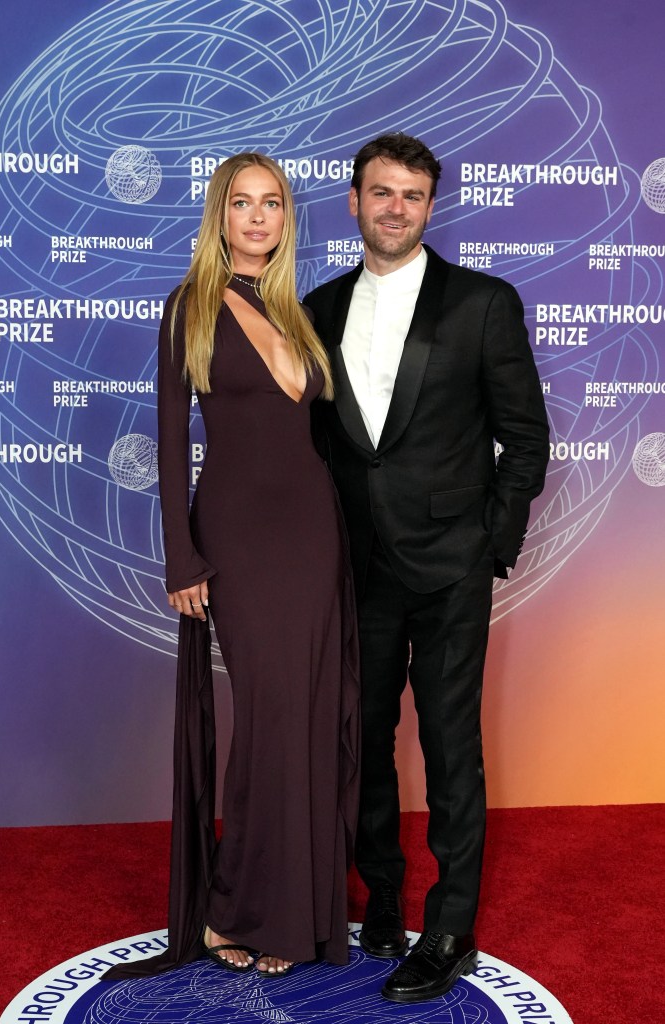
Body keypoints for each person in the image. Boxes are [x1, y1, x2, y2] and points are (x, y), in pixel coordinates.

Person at [304, 133, 549, 1003]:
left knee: (449, 750)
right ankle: (378, 899)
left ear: (430, 205)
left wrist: (490, 542)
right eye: (380, 193)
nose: (394, 208)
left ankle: (448, 926)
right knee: (363, 743)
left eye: (411, 195)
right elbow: (315, 448)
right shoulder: (318, 307)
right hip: (354, 569)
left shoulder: (482, 302)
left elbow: (525, 440)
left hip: (449, 567)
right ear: (353, 201)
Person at [104, 153, 359, 982]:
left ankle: (303, 910)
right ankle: (235, 912)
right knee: (272, 714)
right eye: (241, 203)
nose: (257, 218)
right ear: (220, 215)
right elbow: (174, 440)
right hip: (240, 538)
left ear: (287, 217)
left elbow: (318, 437)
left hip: (314, 534)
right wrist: (183, 553)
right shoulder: (191, 306)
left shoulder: (294, 310)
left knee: (314, 715)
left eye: (272, 203)